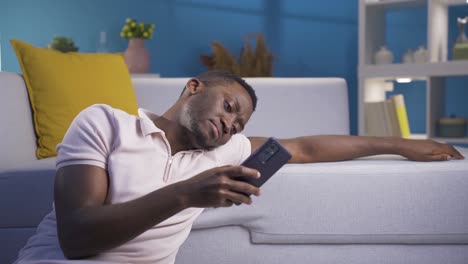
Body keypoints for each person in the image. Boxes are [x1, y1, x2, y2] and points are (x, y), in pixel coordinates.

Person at [15, 70, 464, 264]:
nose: (230, 124)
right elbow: (76, 236)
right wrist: (188, 194)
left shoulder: (222, 152)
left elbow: (305, 147)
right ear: (194, 87)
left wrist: (401, 144)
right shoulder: (106, 122)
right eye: (229, 106)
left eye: (238, 124)